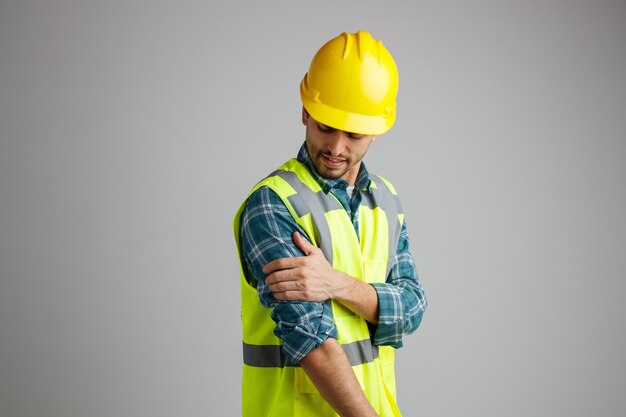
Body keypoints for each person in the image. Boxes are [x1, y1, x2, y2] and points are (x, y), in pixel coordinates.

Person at [233, 30, 427, 417]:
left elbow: (411, 309)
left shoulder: (385, 201)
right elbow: (309, 338)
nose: (336, 148)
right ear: (305, 112)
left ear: (376, 130)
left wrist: (335, 283)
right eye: (325, 127)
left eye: (353, 134)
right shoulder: (273, 203)